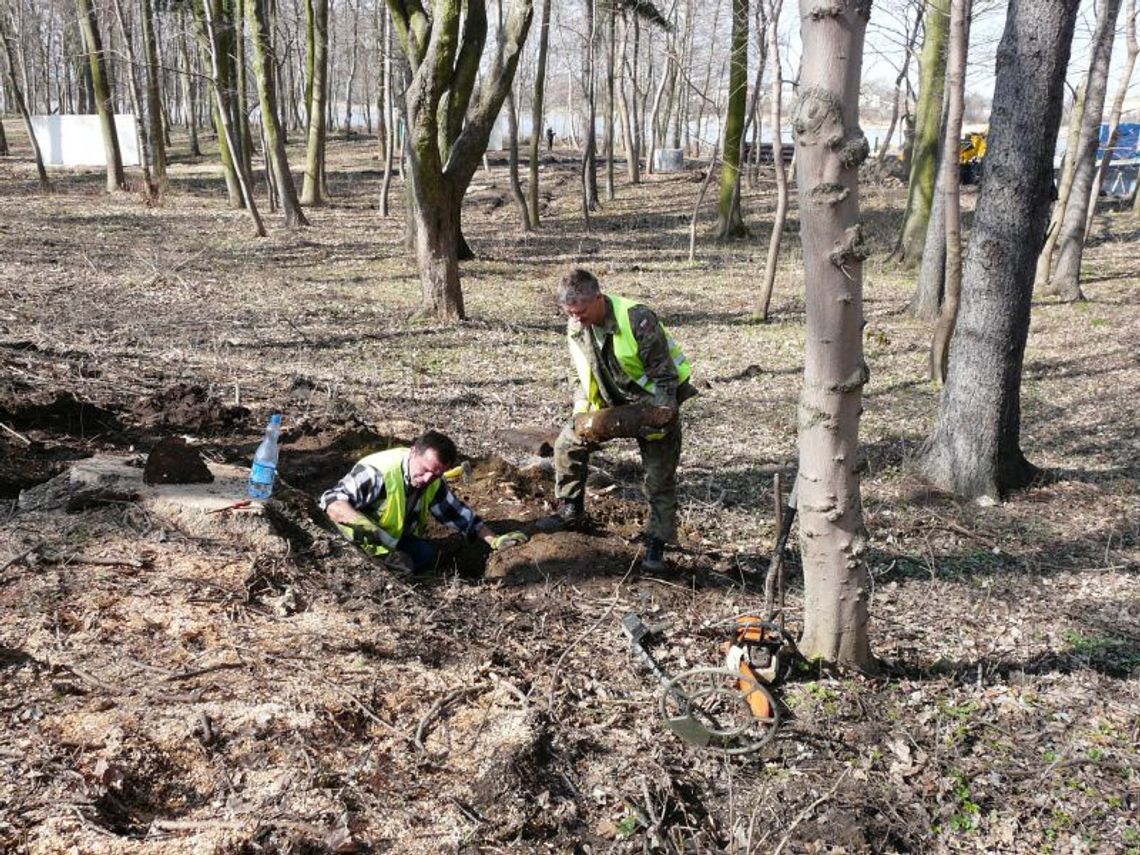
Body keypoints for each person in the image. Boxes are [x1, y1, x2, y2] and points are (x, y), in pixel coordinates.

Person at [537, 268, 696, 570]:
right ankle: (570, 510)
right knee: (566, 443)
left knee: (659, 477)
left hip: (652, 405)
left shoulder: (638, 319)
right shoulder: (575, 325)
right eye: (570, 313)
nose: (576, 318)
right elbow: (577, 373)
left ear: (598, 298)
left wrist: (663, 417)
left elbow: (665, 377)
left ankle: (657, 542)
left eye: (581, 312)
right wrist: (581, 411)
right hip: (610, 406)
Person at [320, 430, 526, 573]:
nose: (428, 479)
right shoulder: (378, 472)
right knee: (404, 565)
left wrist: (494, 540)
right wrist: (366, 528)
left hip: (390, 540)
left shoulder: (432, 482)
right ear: (413, 453)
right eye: (425, 470)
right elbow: (332, 501)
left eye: (437, 474)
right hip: (351, 542)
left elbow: (460, 516)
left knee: (425, 556)